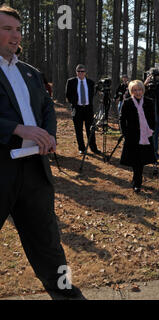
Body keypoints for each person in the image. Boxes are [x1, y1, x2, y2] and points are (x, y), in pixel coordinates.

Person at [0, 5, 84, 299]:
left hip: (35, 172)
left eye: (18, 29)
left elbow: (48, 106)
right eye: (6, 29)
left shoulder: (31, 73)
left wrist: (47, 134)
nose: (14, 35)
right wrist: (16, 129)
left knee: (49, 249)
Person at [119, 80, 156, 193]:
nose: (138, 92)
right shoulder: (127, 102)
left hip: (145, 135)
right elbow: (122, 119)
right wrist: (125, 133)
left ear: (143, 90)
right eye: (135, 90)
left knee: (141, 160)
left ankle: (137, 181)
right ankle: (137, 182)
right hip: (132, 136)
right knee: (136, 160)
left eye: (139, 89)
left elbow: (152, 118)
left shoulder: (149, 102)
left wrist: (151, 130)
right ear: (131, 91)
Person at [65, 64, 100, 155]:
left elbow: (93, 94)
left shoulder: (90, 82)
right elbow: (67, 95)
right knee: (78, 130)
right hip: (77, 109)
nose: (81, 73)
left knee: (90, 130)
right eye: (79, 71)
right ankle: (82, 148)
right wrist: (74, 103)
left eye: (82, 71)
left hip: (88, 109)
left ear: (85, 72)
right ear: (76, 72)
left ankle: (93, 148)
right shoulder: (71, 81)